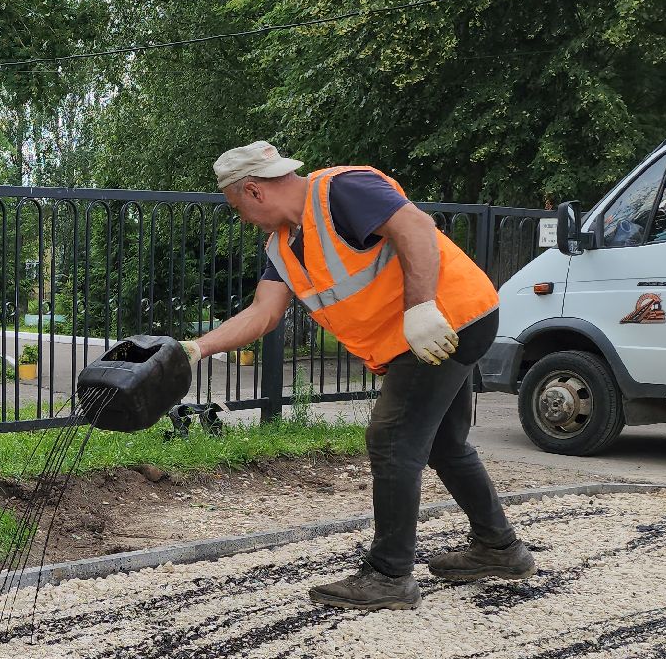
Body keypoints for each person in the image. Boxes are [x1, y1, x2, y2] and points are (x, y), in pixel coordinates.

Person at [182, 140, 535, 610]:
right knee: (445, 445)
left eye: (237, 207)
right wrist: (196, 348)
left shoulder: (342, 189)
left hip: (446, 321)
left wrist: (422, 306)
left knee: (390, 439)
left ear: (253, 191)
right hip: (425, 334)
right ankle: (501, 548)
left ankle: (390, 576)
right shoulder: (283, 247)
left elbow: (414, 226)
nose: (243, 219)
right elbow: (263, 314)